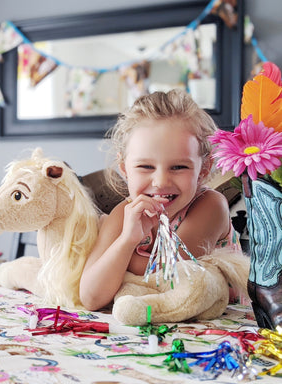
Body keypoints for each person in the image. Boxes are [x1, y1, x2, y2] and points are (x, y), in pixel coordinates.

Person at [79, 89, 240, 311]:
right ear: (125, 169)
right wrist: (127, 240)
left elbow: (171, 277)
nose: (161, 181)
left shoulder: (211, 206)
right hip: (147, 335)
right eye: (146, 166)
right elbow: (91, 297)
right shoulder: (124, 214)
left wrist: (122, 263)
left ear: (203, 170)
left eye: (179, 167)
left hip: (216, 332)